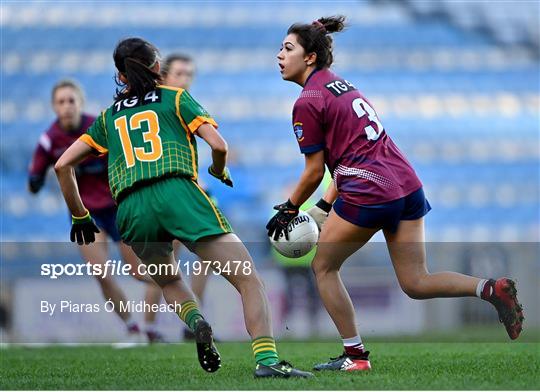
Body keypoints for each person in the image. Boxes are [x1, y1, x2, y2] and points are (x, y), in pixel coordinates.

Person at [268, 16, 525, 372]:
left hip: (370, 188)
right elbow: (346, 157)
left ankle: (355, 357)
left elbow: (314, 170)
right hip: (406, 184)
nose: (279, 55)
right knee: (416, 282)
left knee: (323, 266)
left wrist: (289, 208)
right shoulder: (342, 86)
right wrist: (325, 205)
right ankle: (489, 288)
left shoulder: (307, 100)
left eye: (288, 48)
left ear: (310, 57)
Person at [54, 37, 312, 378]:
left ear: (120, 77)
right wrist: (218, 170)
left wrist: (79, 215)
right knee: (248, 278)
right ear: (157, 68)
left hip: (131, 208)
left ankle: (195, 321)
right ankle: (266, 361)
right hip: (178, 193)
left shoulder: (106, 118)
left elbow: (62, 166)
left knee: (169, 279)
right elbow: (219, 145)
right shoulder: (175, 98)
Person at [28, 79, 164, 344]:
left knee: (138, 272)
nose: (67, 107)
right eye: (61, 102)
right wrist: (36, 180)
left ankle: (171, 292)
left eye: (71, 100)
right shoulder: (49, 141)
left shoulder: (100, 127)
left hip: (118, 209)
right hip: (85, 216)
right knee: (101, 273)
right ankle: (133, 329)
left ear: (80, 103)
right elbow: (35, 175)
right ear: (53, 107)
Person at [161, 53, 212, 340]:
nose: (185, 80)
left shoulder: (186, 105)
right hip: (167, 192)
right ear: (164, 76)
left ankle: (194, 320)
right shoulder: (165, 106)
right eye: (179, 74)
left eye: (189, 74)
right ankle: (148, 327)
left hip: (189, 188)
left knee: (205, 255)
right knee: (164, 262)